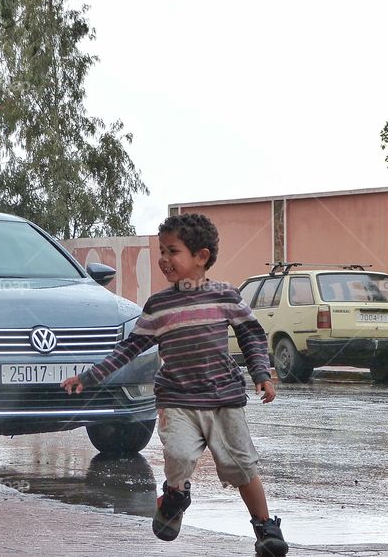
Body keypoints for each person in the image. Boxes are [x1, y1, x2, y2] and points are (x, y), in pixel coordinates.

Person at [62, 213, 288, 557]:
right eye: (162, 251)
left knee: (242, 466)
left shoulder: (226, 296)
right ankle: (173, 497)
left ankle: (265, 529)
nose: (164, 259)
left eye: (173, 251)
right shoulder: (159, 305)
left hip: (224, 399)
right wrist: (90, 376)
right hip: (177, 400)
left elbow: (252, 335)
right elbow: (130, 348)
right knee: (180, 456)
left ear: (201, 257)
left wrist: (261, 374)